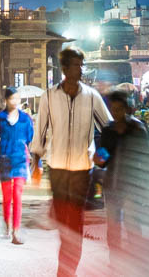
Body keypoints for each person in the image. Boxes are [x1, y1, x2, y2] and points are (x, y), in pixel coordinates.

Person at [31, 48, 112, 277]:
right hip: (57, 170)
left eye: (81, 65)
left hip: (81, 171)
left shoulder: (91, 96)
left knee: (74, 224)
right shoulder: (49, 96)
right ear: (65, 68)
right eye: (76, 65)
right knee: (64, 224)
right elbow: (41, 130)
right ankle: (66, 266)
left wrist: (103, 155)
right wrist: (36, 162)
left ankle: (65, 272)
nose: (81, 69)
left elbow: (108, 127)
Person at [96, 88, 149, 252]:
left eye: (119, 109)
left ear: (127, 109)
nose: (116, 113)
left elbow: (148, 159)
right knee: (113, 227)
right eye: (113, 110)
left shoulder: (138, 130)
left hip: (132, 186)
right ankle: (114, 261)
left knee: (132, 224)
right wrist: (98, 159)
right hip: (112, 186)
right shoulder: (108, 131)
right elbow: (103, 158)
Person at [0, 85, 35, 245]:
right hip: (4, 160)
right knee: (7, 197)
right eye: (11, 99)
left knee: (17, 196)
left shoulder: (25, 119)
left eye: (17, 98)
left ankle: (16, 230)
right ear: (6, 100)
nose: (15, 101)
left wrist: (33, 159)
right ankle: (7, 225)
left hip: (21, 161)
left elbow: (31, 140)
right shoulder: (0, 118)